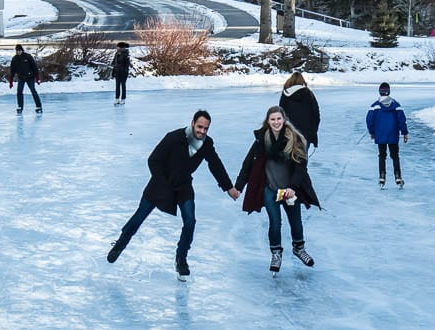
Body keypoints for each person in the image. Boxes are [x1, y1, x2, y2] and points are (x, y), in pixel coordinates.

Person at [106, 110, 241, 281]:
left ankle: (181, 258)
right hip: (160, 185)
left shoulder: (206, 143)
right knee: (138, 217)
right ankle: (120, 244)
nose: (202, 132)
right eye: (200, 127)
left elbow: (215, 164)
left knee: (190, 221)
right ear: (193, 123)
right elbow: (153, 160)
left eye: (206, 129)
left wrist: (228, 187)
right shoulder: (174, 137)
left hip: (183, 186)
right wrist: (162, 183)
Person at [234, 105, 320, 275]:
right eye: (272, 119)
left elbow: (300, 167)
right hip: (270, 190)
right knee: (275, 223)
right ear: (268, 121)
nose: (276, 122)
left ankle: (298, 248)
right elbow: (248, 164)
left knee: (296, 222)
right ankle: (276, 253)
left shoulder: (294, 139)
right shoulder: (261, 140)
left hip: (289, 191)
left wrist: (293, 188)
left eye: (278, 119)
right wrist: (238, 187)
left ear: (284, 119)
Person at [366, 82, 409, 188]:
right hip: (393, 134)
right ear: (389, 91)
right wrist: (404, 132)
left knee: (382, 155)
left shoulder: (375, 106)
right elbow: (401, 120)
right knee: (395, 156)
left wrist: (372, 132)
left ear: (379, 92)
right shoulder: (396, 105)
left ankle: (382, 177)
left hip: (380, 135)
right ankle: (398, 177)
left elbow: (369, 120)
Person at [278, 71, 320, 151]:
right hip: (306, 132)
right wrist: (313, 132)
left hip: (289, 131)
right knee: (302, 157)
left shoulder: (285, 94)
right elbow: (316, 114)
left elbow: (280, 113)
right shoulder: (308, 94)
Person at [8, 44, 42, 114]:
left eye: (20, 50)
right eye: (17, 51)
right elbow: (12, 70)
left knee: (33, 91)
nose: (18, 52)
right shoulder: (15, 59)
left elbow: (34, 67)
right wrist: (11, 81)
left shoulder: (28, 56)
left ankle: (39, 106)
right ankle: (20, 107)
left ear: (22, 50)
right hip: (21, 78)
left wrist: (37, 77)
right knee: (19, 91)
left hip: (30, 77)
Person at [111, 41, 131, 105]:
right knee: (117, 86)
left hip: (123, 72)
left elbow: (127, 64)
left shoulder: (126, 54)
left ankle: (123, 99)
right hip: (117, 72)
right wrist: (113, 71)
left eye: (118, 46)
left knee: (123, 85)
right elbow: (114, 62)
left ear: (121, 47)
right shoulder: (117, 53)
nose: (117, 47)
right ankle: (117, 98)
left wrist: (125, 71)